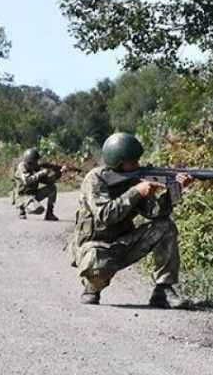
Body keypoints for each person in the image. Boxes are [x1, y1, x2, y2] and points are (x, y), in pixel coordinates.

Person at [70, 132, 195, 308]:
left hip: (124, 243)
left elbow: (155, 214)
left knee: (165, 227)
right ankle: (92, 287)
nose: (138, 165)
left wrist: (175, 190)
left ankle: (163, 290)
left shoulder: (135, 179)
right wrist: (136, 191)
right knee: (97, 261)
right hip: (94, 246)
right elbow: (106, 215)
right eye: (133, 161)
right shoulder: (96, 178)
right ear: (119, 162)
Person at [12, 147, 62, 220]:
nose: (37, 163)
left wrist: (58, 174)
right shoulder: (22, 167)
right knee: (38, 209)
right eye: (35, 161)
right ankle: (22, 209)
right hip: (22, 196)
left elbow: (47, 181)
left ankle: (49, 214)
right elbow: (27, 181)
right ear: (30, 162)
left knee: (52, 188)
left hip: (33, 194)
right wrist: (42, 173)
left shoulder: (35, 168)